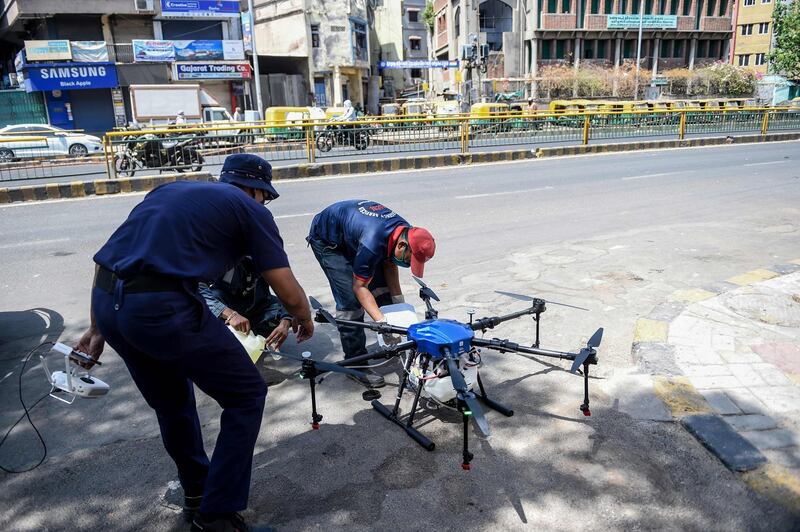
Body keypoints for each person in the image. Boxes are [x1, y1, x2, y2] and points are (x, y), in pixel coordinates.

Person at [75, 153, 314, 532]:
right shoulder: (251, 210)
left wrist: (96, 328)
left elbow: (108, 259)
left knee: (173, 405)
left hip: (110, 303)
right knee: (247, 394)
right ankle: (216, 515)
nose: (264, 204)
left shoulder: (168, 191)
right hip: (162, 309)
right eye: (265, 197)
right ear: (256, 190)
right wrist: (302, 317)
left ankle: (197, 495)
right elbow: (284, 283)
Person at [307, 200, 436, 388]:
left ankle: (394, 347)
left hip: (354, 233)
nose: (409, 264)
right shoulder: (373, 241)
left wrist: (398, 304)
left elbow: (390, 263)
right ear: (402, 246)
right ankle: (355, 363)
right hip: (329, 241)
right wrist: (382, 323)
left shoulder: (406, 232)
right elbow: (359, 287)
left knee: (383, 292)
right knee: (351, 302)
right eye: (409, 260)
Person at [199, 255, 292, 350]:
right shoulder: (219, 254)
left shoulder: (269, 254)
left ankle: (253, 337)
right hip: (228, 307)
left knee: (288, 311)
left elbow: (288, 291)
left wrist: (286, 321)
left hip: (257, 306)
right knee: (204, 304)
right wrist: (230, 314)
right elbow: (196, 288)